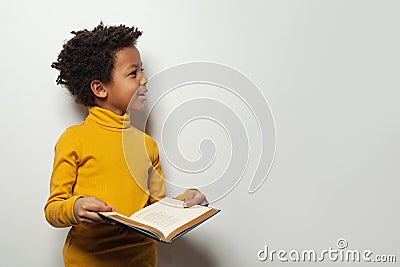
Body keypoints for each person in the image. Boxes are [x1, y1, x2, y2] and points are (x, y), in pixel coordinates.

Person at [44, 22, 208, 267]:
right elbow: (53, 209)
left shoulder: (147, 145)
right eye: (133, 74)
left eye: (141, 70)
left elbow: (157, 206)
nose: (144, 79)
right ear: (99, 88)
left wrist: (186, 201)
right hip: (89, 261)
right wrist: (75, 207)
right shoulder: (74, 139)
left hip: (142, 260)